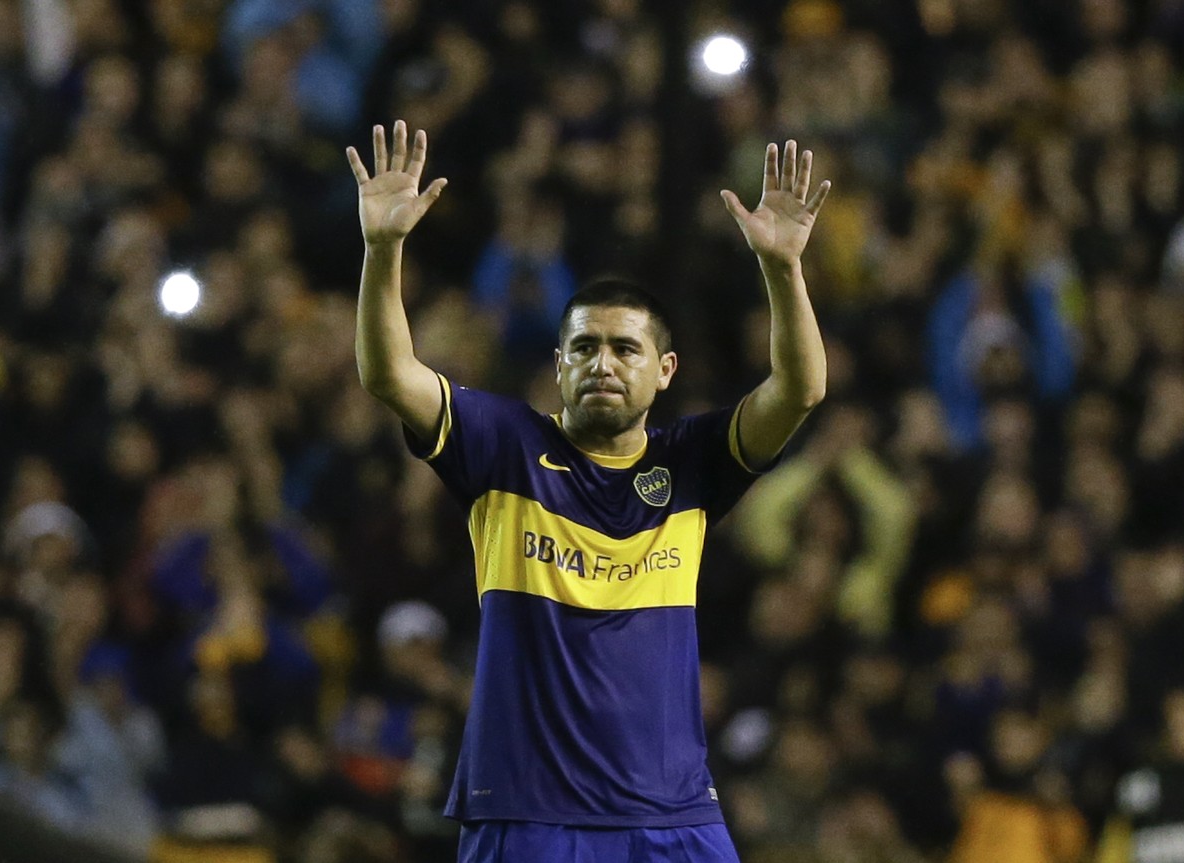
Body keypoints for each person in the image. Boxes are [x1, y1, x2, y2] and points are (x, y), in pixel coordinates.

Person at [345, 120, 830, 862]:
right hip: (530, 810)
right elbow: (389, 374)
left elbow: (799, 390)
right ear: (559, 363)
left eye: (625, 347)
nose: (603, 362)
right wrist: (382, 250)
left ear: (664, 369)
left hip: (670, 811)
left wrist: (784, 271)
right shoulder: (505, 446)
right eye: (585, 347)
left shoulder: (694, 463)